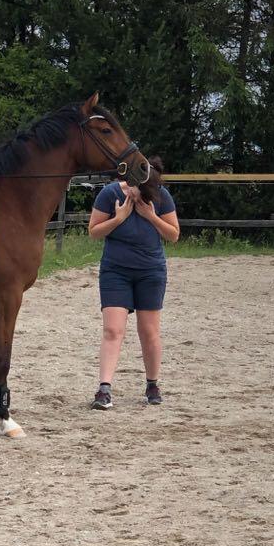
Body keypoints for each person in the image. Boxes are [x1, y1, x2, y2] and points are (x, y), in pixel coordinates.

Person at [87, 157, 180, 408]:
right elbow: (94, 232)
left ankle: (152, 384)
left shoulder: (160, 196)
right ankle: (104, 389)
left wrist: (151, 216)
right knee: (112, 330)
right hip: (115, 272)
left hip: (151, 272)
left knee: (149, 332)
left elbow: (173, 234)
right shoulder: (110, 194)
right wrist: (118, 218)